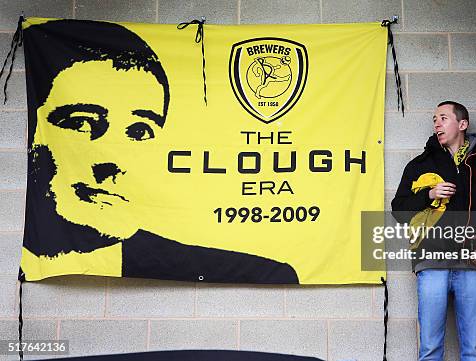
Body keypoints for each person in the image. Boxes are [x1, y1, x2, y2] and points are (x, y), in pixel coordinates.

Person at [21, 19, 298, 284]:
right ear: (35, 133)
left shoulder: (266, 270)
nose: (113, 159)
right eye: (80, 123)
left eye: (139, 131)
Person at [392, 101, 476, 361]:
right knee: (430, 349)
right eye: (434, 119)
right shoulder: (419, 164)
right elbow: (398, 210)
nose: (436, 123)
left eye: (443, 118)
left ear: (462, 124)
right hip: (432, 261)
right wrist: (429, 194)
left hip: (471, 262)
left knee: (473, 350)